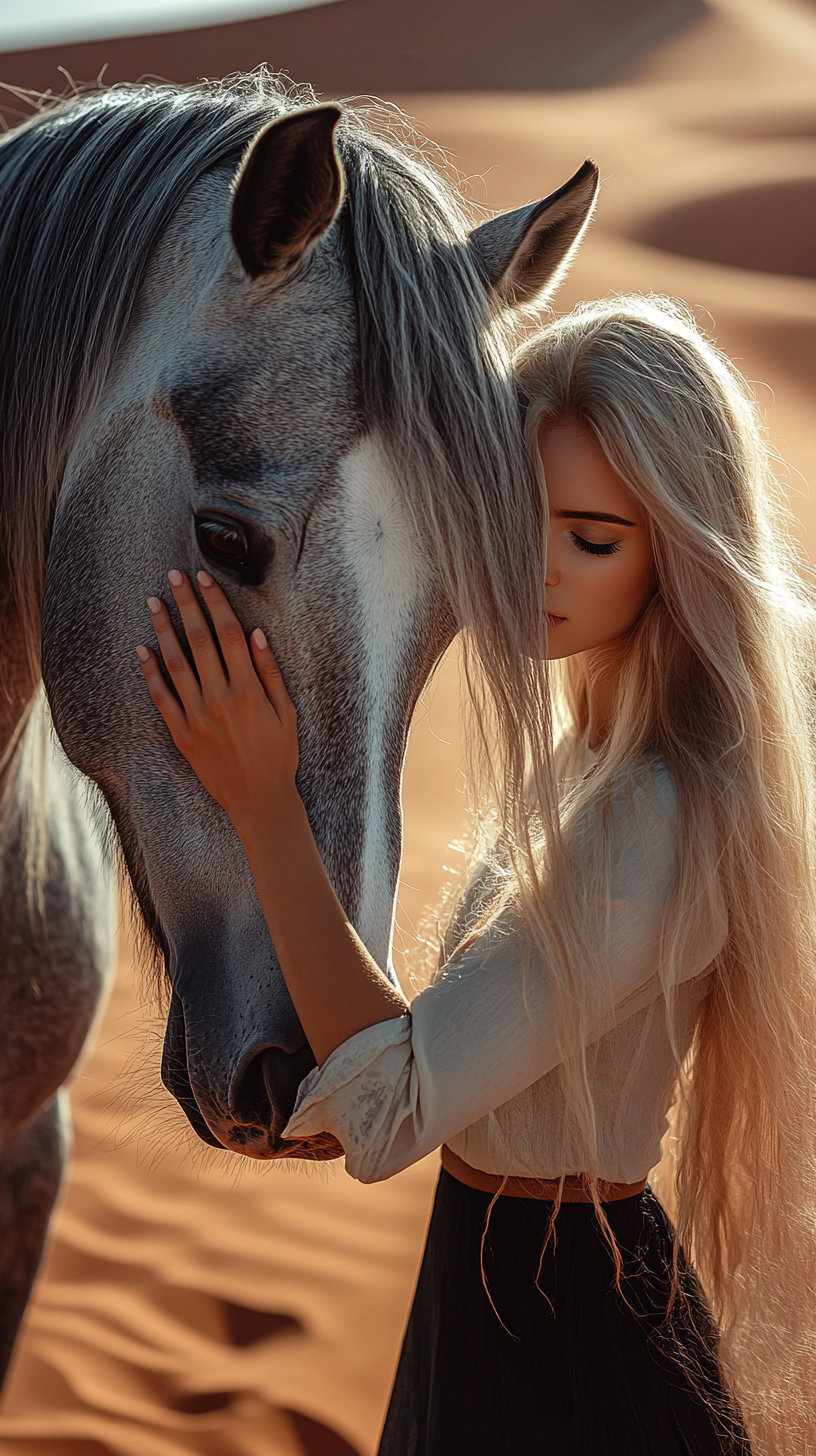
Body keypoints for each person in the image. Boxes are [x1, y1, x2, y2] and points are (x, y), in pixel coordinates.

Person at [135, 295, 816, 1455]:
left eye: (593, 539)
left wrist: (263, 804)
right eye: (522, 516)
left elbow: (398, 1105)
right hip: (482, 1290)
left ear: (682, 553)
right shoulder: (591, 761)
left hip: (565, 1345)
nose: (538, 567)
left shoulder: (650, 814)